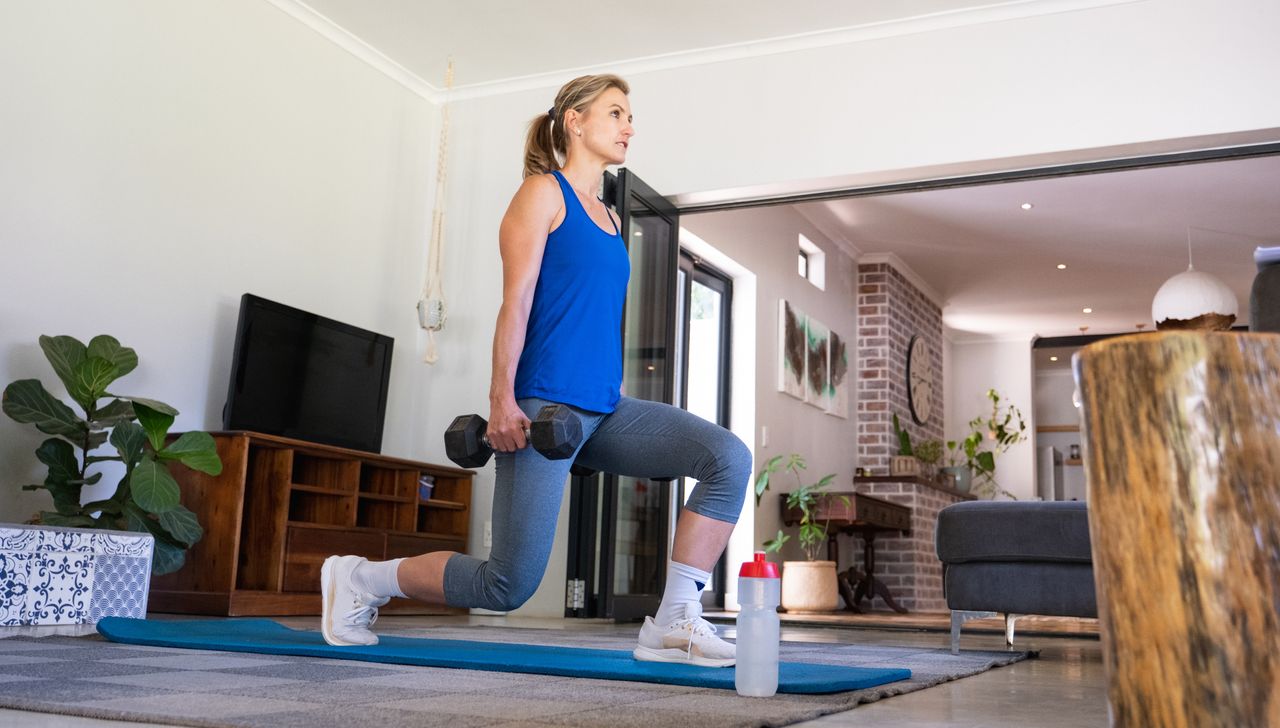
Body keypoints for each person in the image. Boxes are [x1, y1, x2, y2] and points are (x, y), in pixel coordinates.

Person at [320, 74, 751, 667]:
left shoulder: (612, 218)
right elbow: (515, 302)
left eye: (631, 117)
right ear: (575, 121)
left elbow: (592, 316)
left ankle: (675, 619)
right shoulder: (542, 195)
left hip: (604, 409)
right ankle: (362, 580)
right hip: (544, 408)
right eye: (617, 113)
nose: (630, 126)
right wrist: (502, 399)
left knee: (727, 457)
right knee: (507, 585)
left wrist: (611, 391)